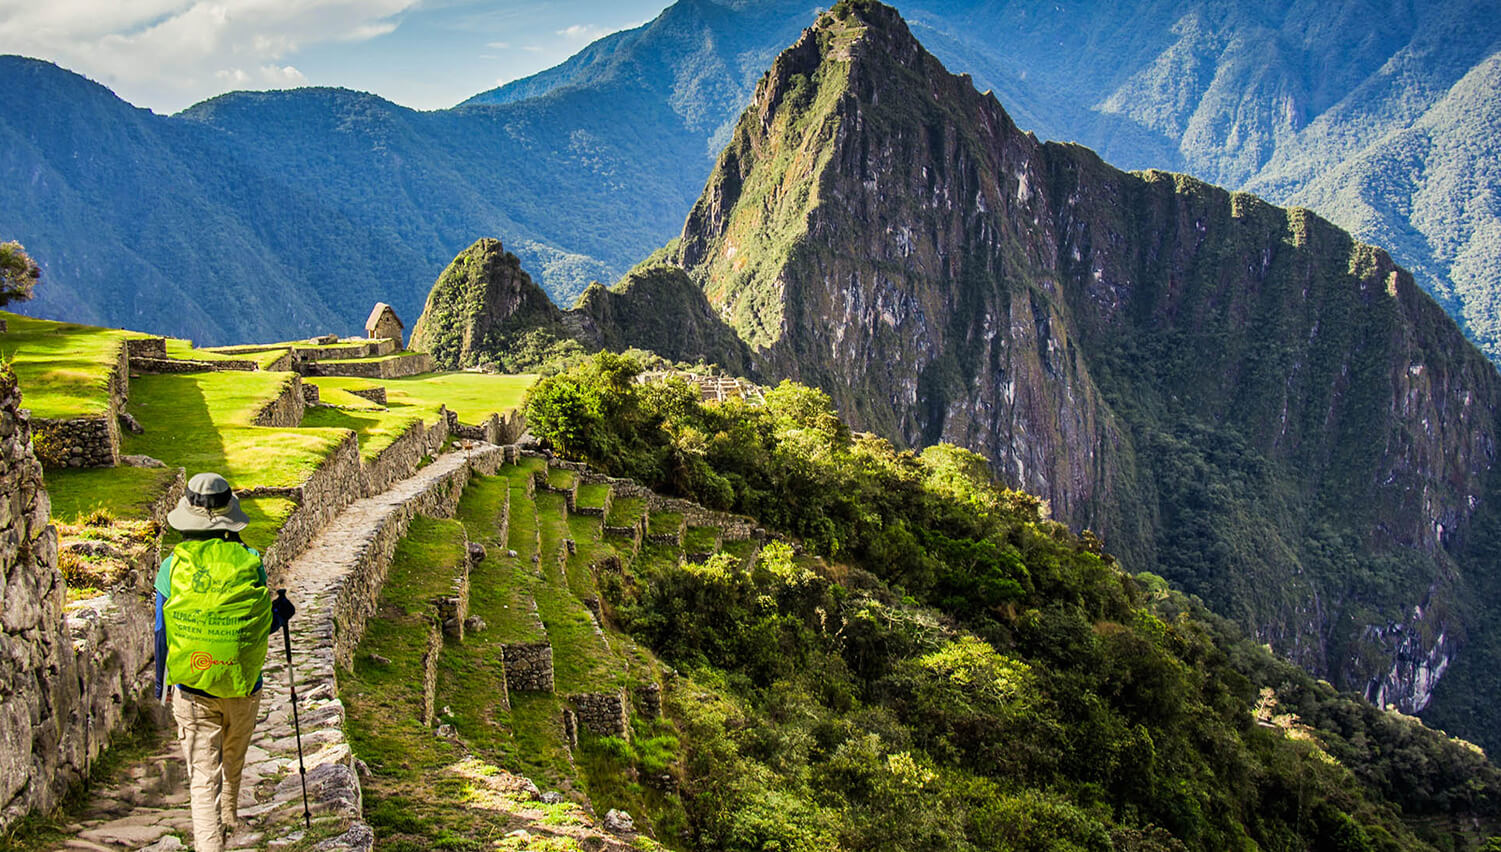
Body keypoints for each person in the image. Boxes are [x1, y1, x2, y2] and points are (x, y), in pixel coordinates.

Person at [155, 472, 294, 852]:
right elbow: (258, 625)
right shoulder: (250, 560)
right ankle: (230, 813)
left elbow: (160, 630)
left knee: (202, 778)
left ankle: (211, 843)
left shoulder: (170, 567)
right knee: (234, 756)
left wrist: (160, 687)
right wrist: (282, 613)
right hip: (243, 685)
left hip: (193, 688)